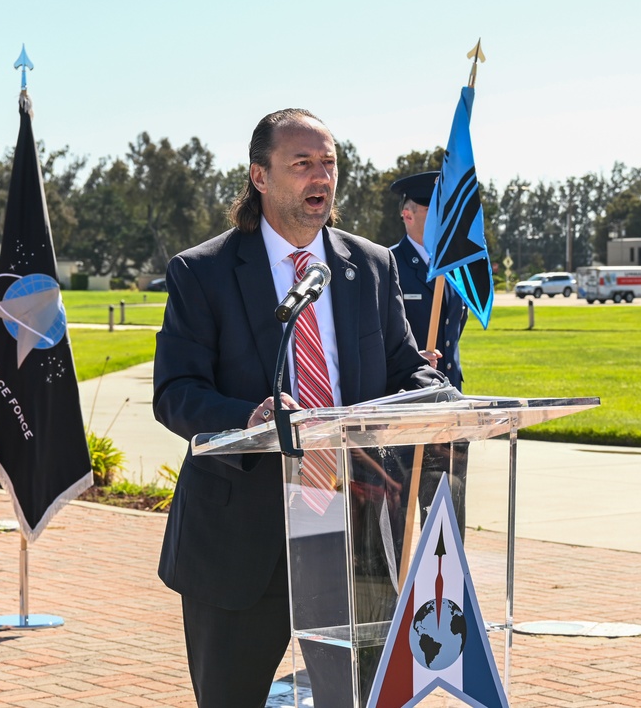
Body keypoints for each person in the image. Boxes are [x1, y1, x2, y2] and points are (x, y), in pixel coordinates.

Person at [153, 108, 443, 708]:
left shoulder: (369, 266)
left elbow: (401, 364)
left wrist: (439, 397)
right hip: (239, 540)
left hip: (353, 529)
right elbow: (175, 391)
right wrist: (250, 420)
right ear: (260, 176)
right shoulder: (202, 272)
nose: (322, 178)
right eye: (303, 164)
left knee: (357, 699)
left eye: (330, 164)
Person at [389, 171, 469, 534]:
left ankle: (447, 589)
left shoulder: (454, 268)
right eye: (430, 209)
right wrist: (410, 357)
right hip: (406, 404)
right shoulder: (387, 265)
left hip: (450, 402)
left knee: (449, 512)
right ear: (407, 214)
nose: (441, 217)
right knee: (402, 514)